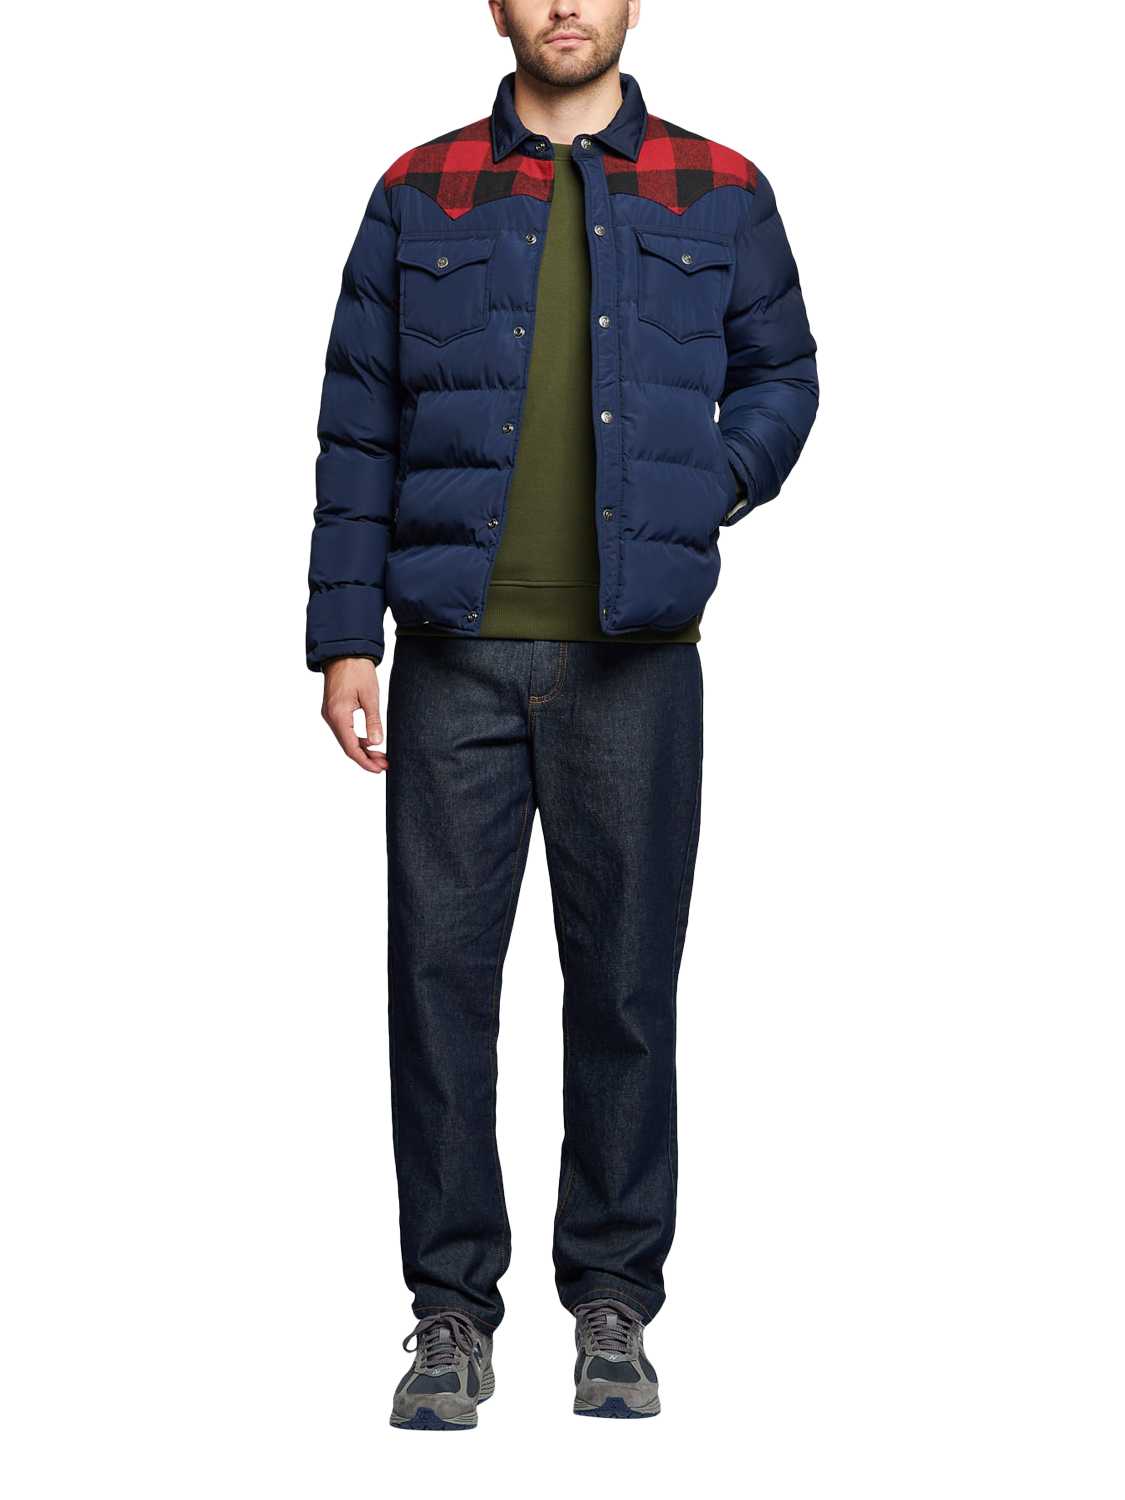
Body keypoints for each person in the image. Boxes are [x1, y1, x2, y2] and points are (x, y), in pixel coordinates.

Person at [306, 0, 818, 1430]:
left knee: (626, 991)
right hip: (450, 655)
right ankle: (449, 1312)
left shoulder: (720, 186)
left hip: (637, 660)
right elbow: (358, 415)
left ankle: (612, 1300)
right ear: (498, 5)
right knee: (438, 988)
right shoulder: (417, 189)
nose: (566, 6)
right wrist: (343, 638)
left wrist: (709, 483)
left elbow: (785, 374)